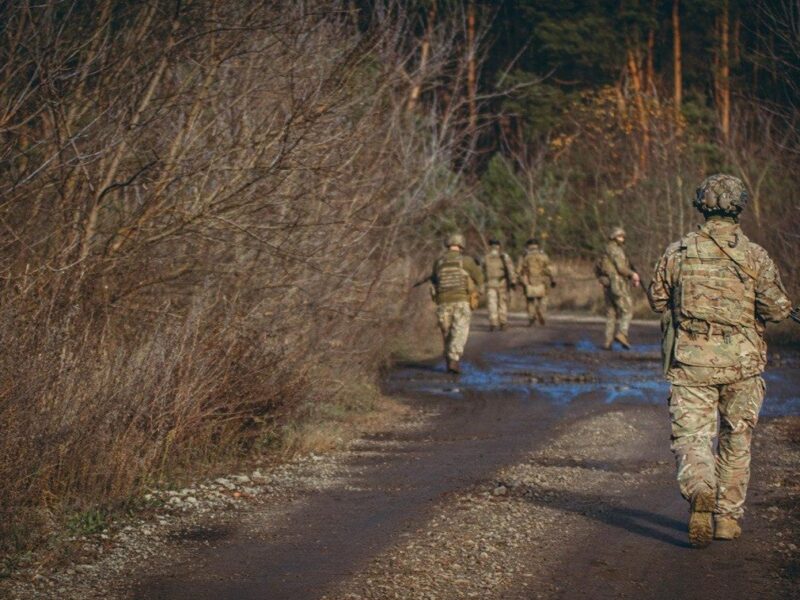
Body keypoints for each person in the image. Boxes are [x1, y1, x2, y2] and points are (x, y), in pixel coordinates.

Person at [648, 174, 792, 547]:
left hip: (692, 361)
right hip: (742, 363)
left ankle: (700, 487)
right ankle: (728, 519)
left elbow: (658, 301)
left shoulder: (677, 252)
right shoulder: (755, 255)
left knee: (693, 437)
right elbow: (776, 310)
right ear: (740, 207)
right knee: (737, 438)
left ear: (701, 204)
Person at [431, 233, 484, 374]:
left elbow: (434, 281)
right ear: (461, 245)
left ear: (447, 244)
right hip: (461, 302)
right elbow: (479, 279)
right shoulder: (467, 261)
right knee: (459, 331)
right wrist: (478, 292)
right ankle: (453, 359)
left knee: (447, 332)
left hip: (443, 303)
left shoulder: (439, 262)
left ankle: (449, 359)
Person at [596, 226, 640, 349]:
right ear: (615, 237)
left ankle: (607, 342)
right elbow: (621, 268)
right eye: (620, 236)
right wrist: (633, 275)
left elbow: (596, 267)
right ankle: (622, 333)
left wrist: (601, 278)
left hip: (607, 285)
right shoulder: (617, 251)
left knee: (611, 313)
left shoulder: (604, 250)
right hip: (618, 285)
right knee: (628, 309)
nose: (622, 239)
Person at [517, 238, 556, 326]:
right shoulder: (543, 256)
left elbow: (518, 270)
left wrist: (519, 281)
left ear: (528, 246)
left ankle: (531, 317)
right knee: (543, 299)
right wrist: (553, 279)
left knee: (530, 301)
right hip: (542, 281)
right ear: (537, 246)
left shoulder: (524, 256)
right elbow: (550, 269)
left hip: (529, 282)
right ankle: (541, 312)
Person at [482, 239, 517, 331]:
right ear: (499, 246)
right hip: (502, 283)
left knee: (491, 303)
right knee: (502, 303)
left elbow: (482, 271)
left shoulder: (486, 257)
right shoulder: (504, 257)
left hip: (490, 283)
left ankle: (493, 322)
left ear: (490, 246)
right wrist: (513, 281)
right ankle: (503, 322)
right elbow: (510, 269)